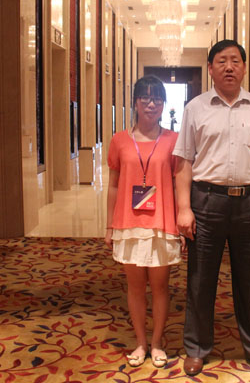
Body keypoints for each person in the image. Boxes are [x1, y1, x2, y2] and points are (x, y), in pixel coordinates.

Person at [173, 39, 250, 378]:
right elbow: (183, 162)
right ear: (210, 68)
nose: (229, 67)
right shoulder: (196, 108)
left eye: (235, 60)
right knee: (200, 280)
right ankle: (196, 348)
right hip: (206, 202)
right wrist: (184, 208)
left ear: (245, 67)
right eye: (222, 61)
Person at [105, 75, 183, 368]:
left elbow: (180, 184)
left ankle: (157, 342)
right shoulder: (119, 140)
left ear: (164, 103)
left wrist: (181, 221)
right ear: (135, 102)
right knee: (135, 287)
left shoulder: (173, 140)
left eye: (157, 98)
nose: (152, 104)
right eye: (146, 98)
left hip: (162, 223)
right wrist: (109, 226)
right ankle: (140, 343)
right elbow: (113, 185)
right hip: (128, 223)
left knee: (160, 287)